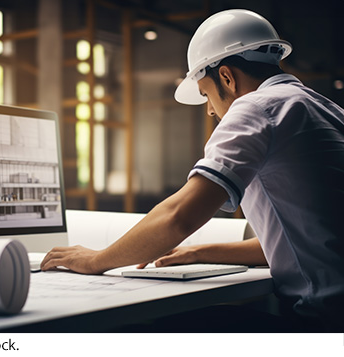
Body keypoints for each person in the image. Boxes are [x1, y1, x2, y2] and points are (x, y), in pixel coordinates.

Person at [41, 9, 344, 331]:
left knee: (152, 330)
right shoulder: (325, 109)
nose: (211, 110)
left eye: (206, 95)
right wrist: (198, 252)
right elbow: (301, 242)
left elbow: (179, 215)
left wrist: (95, 260)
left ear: (226, 77)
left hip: (323, 324)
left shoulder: (256, 107)